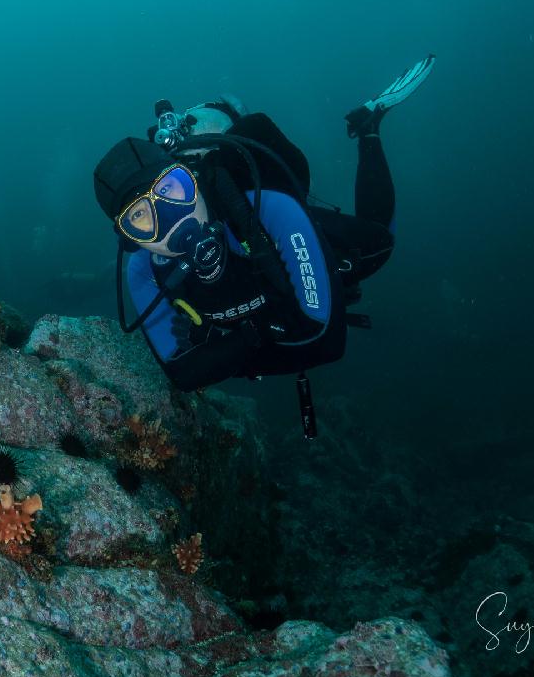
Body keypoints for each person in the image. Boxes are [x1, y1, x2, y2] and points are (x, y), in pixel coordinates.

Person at [91, 56, 435, 437]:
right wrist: (261, 333)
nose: (173, 221)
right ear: (130, 239)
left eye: (173, 190)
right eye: (141, 218)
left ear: (194, 178)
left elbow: (327, 341)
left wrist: (236, 351)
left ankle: (368, 127)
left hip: (281, 240)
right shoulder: (142, 268)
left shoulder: (266, 206)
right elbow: (184, 374)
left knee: (378, 242)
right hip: (269, 314)